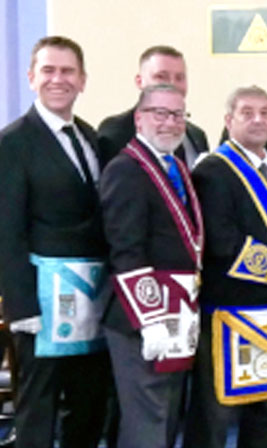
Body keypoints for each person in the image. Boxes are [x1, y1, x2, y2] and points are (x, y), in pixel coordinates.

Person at [184, 85, 267, 448]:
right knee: (214, 417)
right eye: (247, 113)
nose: (258, 120)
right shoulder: (213, 170)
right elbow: (222, 240)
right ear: (228, 120)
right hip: (229, 311)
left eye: (265, 113)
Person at [0, 35, 113, 448]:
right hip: (42, 305)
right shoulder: (11, 143)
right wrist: (21, 307)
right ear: (31, 78)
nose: (58, 79)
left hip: (93, 297)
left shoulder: (91, 137)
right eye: (48, 70)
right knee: (38, 409)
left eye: (68, 71)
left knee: (89, 403)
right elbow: (6, 230)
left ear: (82, 80)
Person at [98, 83, 204, 448]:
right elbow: (126, 250)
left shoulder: (174, 166)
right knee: (148, 422)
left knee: (168, 417)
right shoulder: (125, 170)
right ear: (139, 118)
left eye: (178, 115)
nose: (170, 123)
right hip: (141, 319)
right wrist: (150, 318)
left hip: (178, 315)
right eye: (160, 113)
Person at [97, 45, 209, 167]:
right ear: (140, 82)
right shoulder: (115, 133)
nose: (172, 85)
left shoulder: (197, 136)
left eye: (179, 78)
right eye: (161, 76)